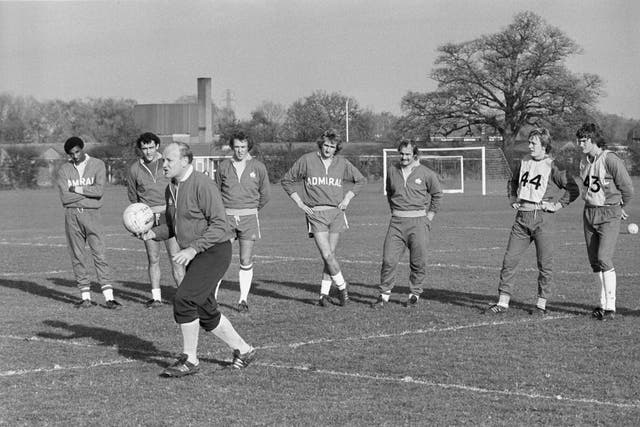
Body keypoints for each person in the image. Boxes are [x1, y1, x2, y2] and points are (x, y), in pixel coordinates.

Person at [141, 142, 256, 377]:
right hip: (197, 253)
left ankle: (190, 359)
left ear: (185, 161)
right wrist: (152, 232)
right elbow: (173, 226)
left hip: (214, 251)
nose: (164, 165)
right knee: (205, 311)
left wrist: (193, 249)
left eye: (169, 160)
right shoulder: (171, 188)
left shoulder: (202, 184)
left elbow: (219, 225)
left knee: (184, 300)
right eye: (163, 161)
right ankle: (244, 350)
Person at [485, 128, 580, 315]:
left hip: (543, 219)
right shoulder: (524, 162)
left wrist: (557, 205)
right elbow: (513, 181)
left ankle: (541, 304)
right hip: (521, 219)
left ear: (544, 145)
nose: (529, 146)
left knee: (544, 264)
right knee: (509, 260)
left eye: (533, 143)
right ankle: (503, 302)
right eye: (529, 142)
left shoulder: (554, 166)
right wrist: (512, 197)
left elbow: (573, 189)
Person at [281, 129, 366, 307]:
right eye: (326, 145)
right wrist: (300, 203)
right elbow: (287, 180)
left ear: (337, 148)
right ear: (321, 144)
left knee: (330, 256)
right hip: (316, 214)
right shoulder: (307, 160)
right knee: (327, 254)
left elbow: (360, 180)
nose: (328, 149)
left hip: (336, 214)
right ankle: (343, 288)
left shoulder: (342, 163)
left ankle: (323, 295)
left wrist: (347, 198)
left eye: (332, 146)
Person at [372, 140, 443, 308]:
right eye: (402, 154)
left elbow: (437, 195)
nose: (404, 157)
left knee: (418, 261)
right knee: (388, 260)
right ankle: (384, 295)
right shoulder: (392, 171)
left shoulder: (426, 173)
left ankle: (414, 294)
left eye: (408, 154)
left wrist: (429, 217)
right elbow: (389, 192)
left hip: (419, 222)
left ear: (415, 155)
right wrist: (394, 210)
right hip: (396, 222)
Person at [575, 123, 634, 321]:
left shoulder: (610, 159)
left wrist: (619, 207)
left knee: (604, 257)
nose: (579, 144)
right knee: (594, 262)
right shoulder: (584, 161)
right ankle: (601, 304)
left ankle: (611, 306)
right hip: (589, 213)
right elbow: (587, 188)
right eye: (579, 140)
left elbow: (627, 188)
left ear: (592, 140)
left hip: (608, 214)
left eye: (583, 140)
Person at [56, 136, 122, 309]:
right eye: (71, 154)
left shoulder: (98, 165)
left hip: (93, 216)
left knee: (99, 255)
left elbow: (99, 192)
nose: (75, 156)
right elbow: (65, 198)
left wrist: (77, 190)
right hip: (72, 217)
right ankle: (85, 297)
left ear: (82, 149)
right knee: (77, 256)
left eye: (77, 152)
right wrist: (88, 195)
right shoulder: (64, 169)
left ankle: (109, 298)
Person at [127, 132, 184, 308]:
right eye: (144, 148)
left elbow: (179, 185)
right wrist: (138, 218)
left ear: (157, 146)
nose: (148, 151)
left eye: (151, 147)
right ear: (140, 149)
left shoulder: (167, 163)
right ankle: (156, 297)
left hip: (169, 216)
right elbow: (132, 195)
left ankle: (183, 298)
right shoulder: (134, 169)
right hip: (148, 219)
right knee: (153, 258)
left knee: (176, 258)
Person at [215, 132, 270, 312]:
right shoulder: (223, 166)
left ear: (248, 147)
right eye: (237, 147)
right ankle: (211, 299)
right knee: (221, 258)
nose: (239, 150)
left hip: (249, 218)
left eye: (243, 147)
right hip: (227, 219)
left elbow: (265, 195)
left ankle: (243, 300)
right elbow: (216, 192)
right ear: (232, 147)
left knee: (245, 259)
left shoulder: (258, 167)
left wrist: (250, 209)